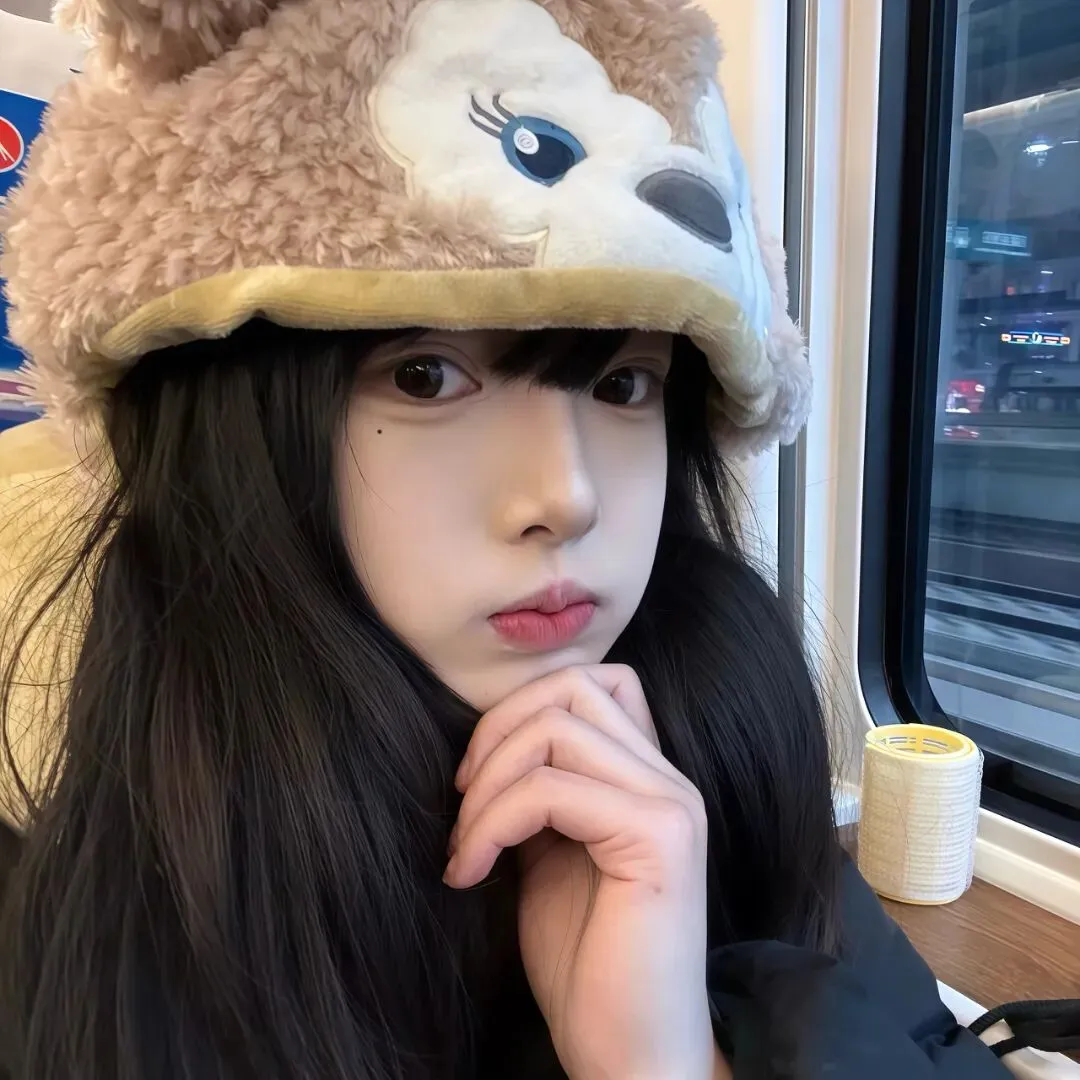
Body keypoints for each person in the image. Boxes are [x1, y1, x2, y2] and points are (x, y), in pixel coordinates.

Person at [0, 0, 1013, 1076]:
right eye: (424, 375)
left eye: (624, 385)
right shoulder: (97, 909)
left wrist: (667, 1063)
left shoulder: (722, 739)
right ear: (227, 428)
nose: (566, 497)